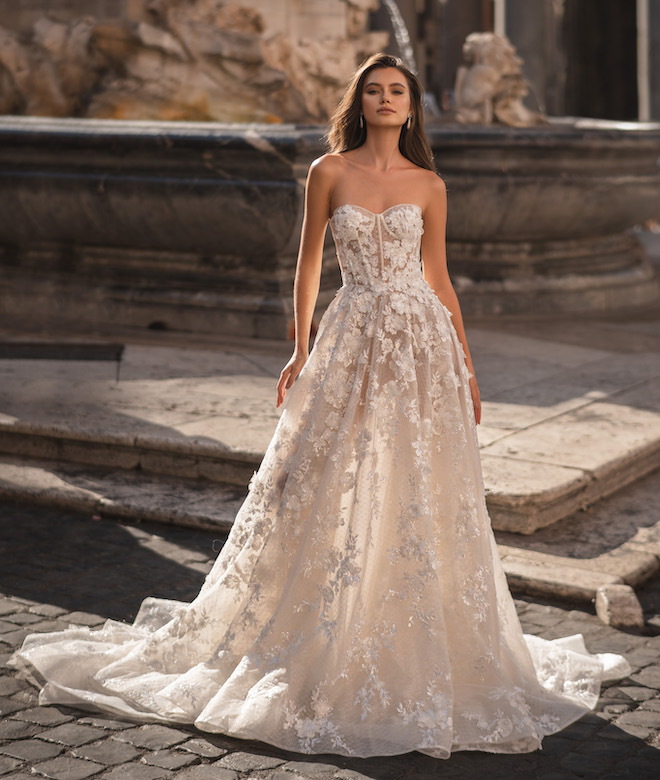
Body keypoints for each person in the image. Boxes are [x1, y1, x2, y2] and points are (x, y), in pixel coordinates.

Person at [8, 53, 630, 759]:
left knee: (418, 484)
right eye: (375, 90)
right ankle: (322, 624)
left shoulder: (429, 183)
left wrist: (466, 362)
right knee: (325, 474)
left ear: (412, 105)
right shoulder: (328, 171)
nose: (387, 99)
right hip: (352, 334)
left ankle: (409, 620)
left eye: (397, 91)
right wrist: (299, 350)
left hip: (421, 345)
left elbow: (440, 277)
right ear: (360, 102)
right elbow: (307, 265)